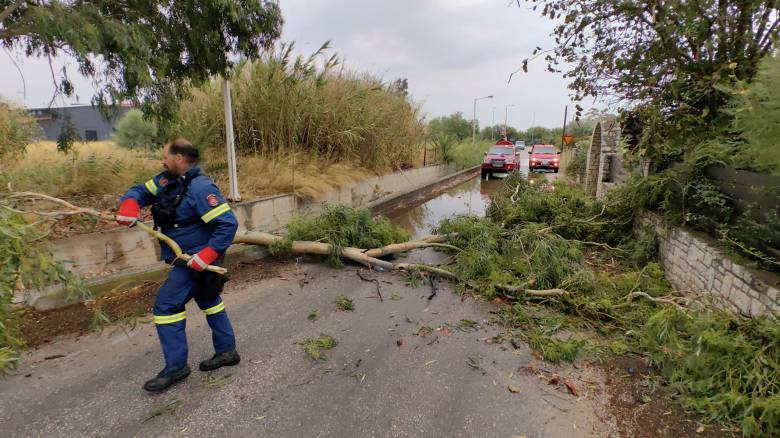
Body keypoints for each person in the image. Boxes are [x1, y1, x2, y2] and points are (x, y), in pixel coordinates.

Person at [116, 139, 240, 392]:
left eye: (165, 156)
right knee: (208, 300)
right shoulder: (166, 180)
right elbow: (140, 191)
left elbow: (228, 224)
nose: (162, 161)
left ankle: (176, 368)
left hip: (195, 261)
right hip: (186, 257)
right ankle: (227, 351)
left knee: (166, 306)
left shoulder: (200, 188)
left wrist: (205, 256)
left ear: (179, 158)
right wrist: (130, 204)